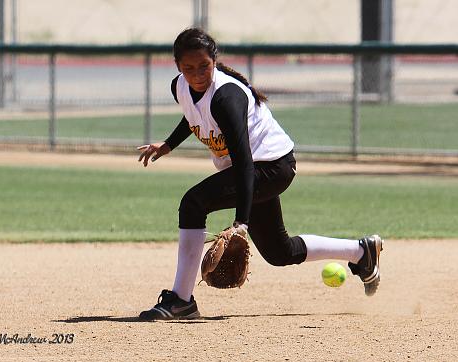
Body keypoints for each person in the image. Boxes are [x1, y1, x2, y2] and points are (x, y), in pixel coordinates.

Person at [137, 28, 383, 320]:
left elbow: (243, 161)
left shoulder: (226, 98)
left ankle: (181, 299)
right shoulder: (180, 86)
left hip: (271, 167)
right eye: (188, 68)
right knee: (280, 252)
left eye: (204, 65)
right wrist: (168, 144)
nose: (197, 74)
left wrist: (241, 221)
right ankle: (360, 252)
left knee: (194, 202)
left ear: (214, 60)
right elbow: (193, 115)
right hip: (253, 170)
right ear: (178, 66)